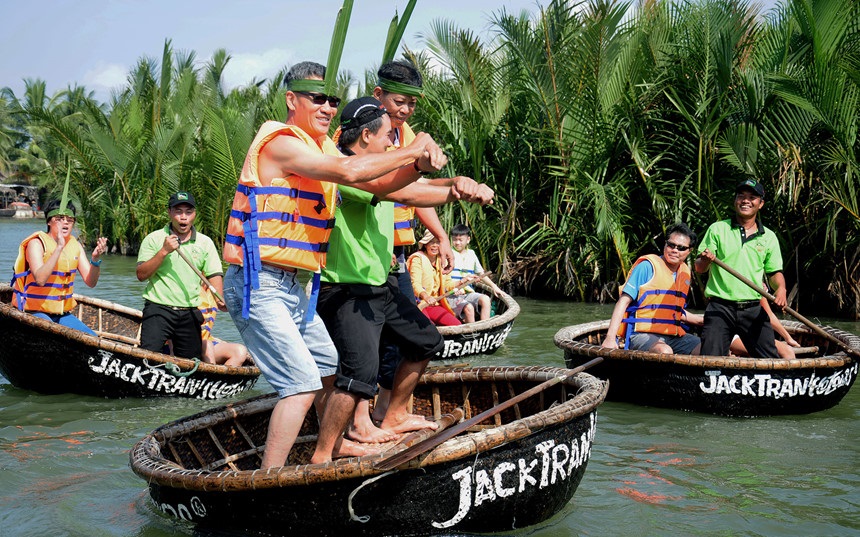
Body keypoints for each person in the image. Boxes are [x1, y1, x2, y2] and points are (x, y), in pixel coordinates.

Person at [220, 62, 447, 468]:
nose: (327, 107)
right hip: (260, 282)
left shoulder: (320, 146)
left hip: (298, 286)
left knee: (327, 364)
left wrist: (421, 170)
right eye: (316, 98)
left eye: (332, 100)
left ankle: (334, 444)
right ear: (292, 100)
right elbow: (349, 169)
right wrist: (412, 149)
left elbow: (377, 184)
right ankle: (269, 479)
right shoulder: (280, 142)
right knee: (302, 385)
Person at [310, 97, 494, 461]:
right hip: (347, 290)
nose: (392, 146)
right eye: (387, 140)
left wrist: (457, 186)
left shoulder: (374, 172)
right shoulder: (342, 171)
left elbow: (408, 189)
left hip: (379, 285)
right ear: (365, 136)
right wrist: (423, 162)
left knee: (425, 340)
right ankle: (323, 453)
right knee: (360, 373)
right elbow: (395, 186)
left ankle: (394, 415)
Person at [695, 178, 786, 357]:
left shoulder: (768, 237)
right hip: (720, 307)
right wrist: (706, 260)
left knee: (770, 361)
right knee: (711, 361)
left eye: (752, 197)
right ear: (735, 200)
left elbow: (774, 273)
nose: (746, 200)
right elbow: (699, 268)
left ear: (760, 204)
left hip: (752, 308)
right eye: (741, 196)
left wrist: (781, 289)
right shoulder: (718, 229)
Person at [136, 191, 224, 359]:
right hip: (158, 308)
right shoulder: (154, 238)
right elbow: (141, 275)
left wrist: (220, 299)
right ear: (169, 213)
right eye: (178, 211)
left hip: (189, 312)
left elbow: (214, 277)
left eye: (188, 212)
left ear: (195, 214)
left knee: (191, 363)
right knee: (147, 358)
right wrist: (163, 251)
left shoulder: (205, 243)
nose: (184, 217)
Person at [601, 223, 703, 354]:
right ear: (665, 244)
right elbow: (623, 302)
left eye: (681, 248)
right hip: (641, 334)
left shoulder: (684, 273)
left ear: (690, 251)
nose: (674, 250)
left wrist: (700, 320)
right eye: (671, 245)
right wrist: (610, 338)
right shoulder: (647, 267)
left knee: (708, 348)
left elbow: (675, 310)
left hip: (673, 336)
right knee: (664, 351)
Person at [12, 199, 108, 335]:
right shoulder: (37, 243)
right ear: (48, 221)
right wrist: (59, 248)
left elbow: (91, 282)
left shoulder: (75, 245)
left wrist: (95, 259)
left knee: (92, 338)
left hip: (61, 314)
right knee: (50, 334)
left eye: (70, 219)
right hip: (34, 310)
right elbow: (40, 279)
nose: (65, 222)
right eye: (59, 218)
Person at [449, 223, 503, 323]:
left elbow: (481, 274)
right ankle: (473, 333)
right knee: (469, 308)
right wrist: (454, 289)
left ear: (468, 240)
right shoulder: (448, 253)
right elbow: (443, 278)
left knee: (486, 299)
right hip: (452, 294)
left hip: (468, 293)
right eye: (454, 240)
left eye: (460, 240)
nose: (457, 243)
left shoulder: (471, 254)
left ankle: (484, 327)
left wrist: (494, 286)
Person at [408, 231, 462, 327]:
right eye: (431, 242)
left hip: (434, 304)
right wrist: (426, 297)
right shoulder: (418, 259)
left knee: (456, 325)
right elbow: (415, 284)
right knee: (429, 328)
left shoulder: (442, 261)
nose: (435, 245)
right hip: (420, 304)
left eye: (438, 242)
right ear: (425, 244)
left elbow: (447, 285)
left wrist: (463, 281)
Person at [729, 297, 800, 359]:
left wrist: (788, 338)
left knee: (787, 351)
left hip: (747, 332)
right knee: (787, 352)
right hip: (731, 335)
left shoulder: (757, 289)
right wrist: (788, 338)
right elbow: (769, 315)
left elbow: (768, 315)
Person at [198, 286, 251, 367]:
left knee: (239, 351)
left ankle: (219, 379)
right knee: (207, 346)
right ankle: (210, 376)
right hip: (189, 342)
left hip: (206, 340)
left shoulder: (212, 291)